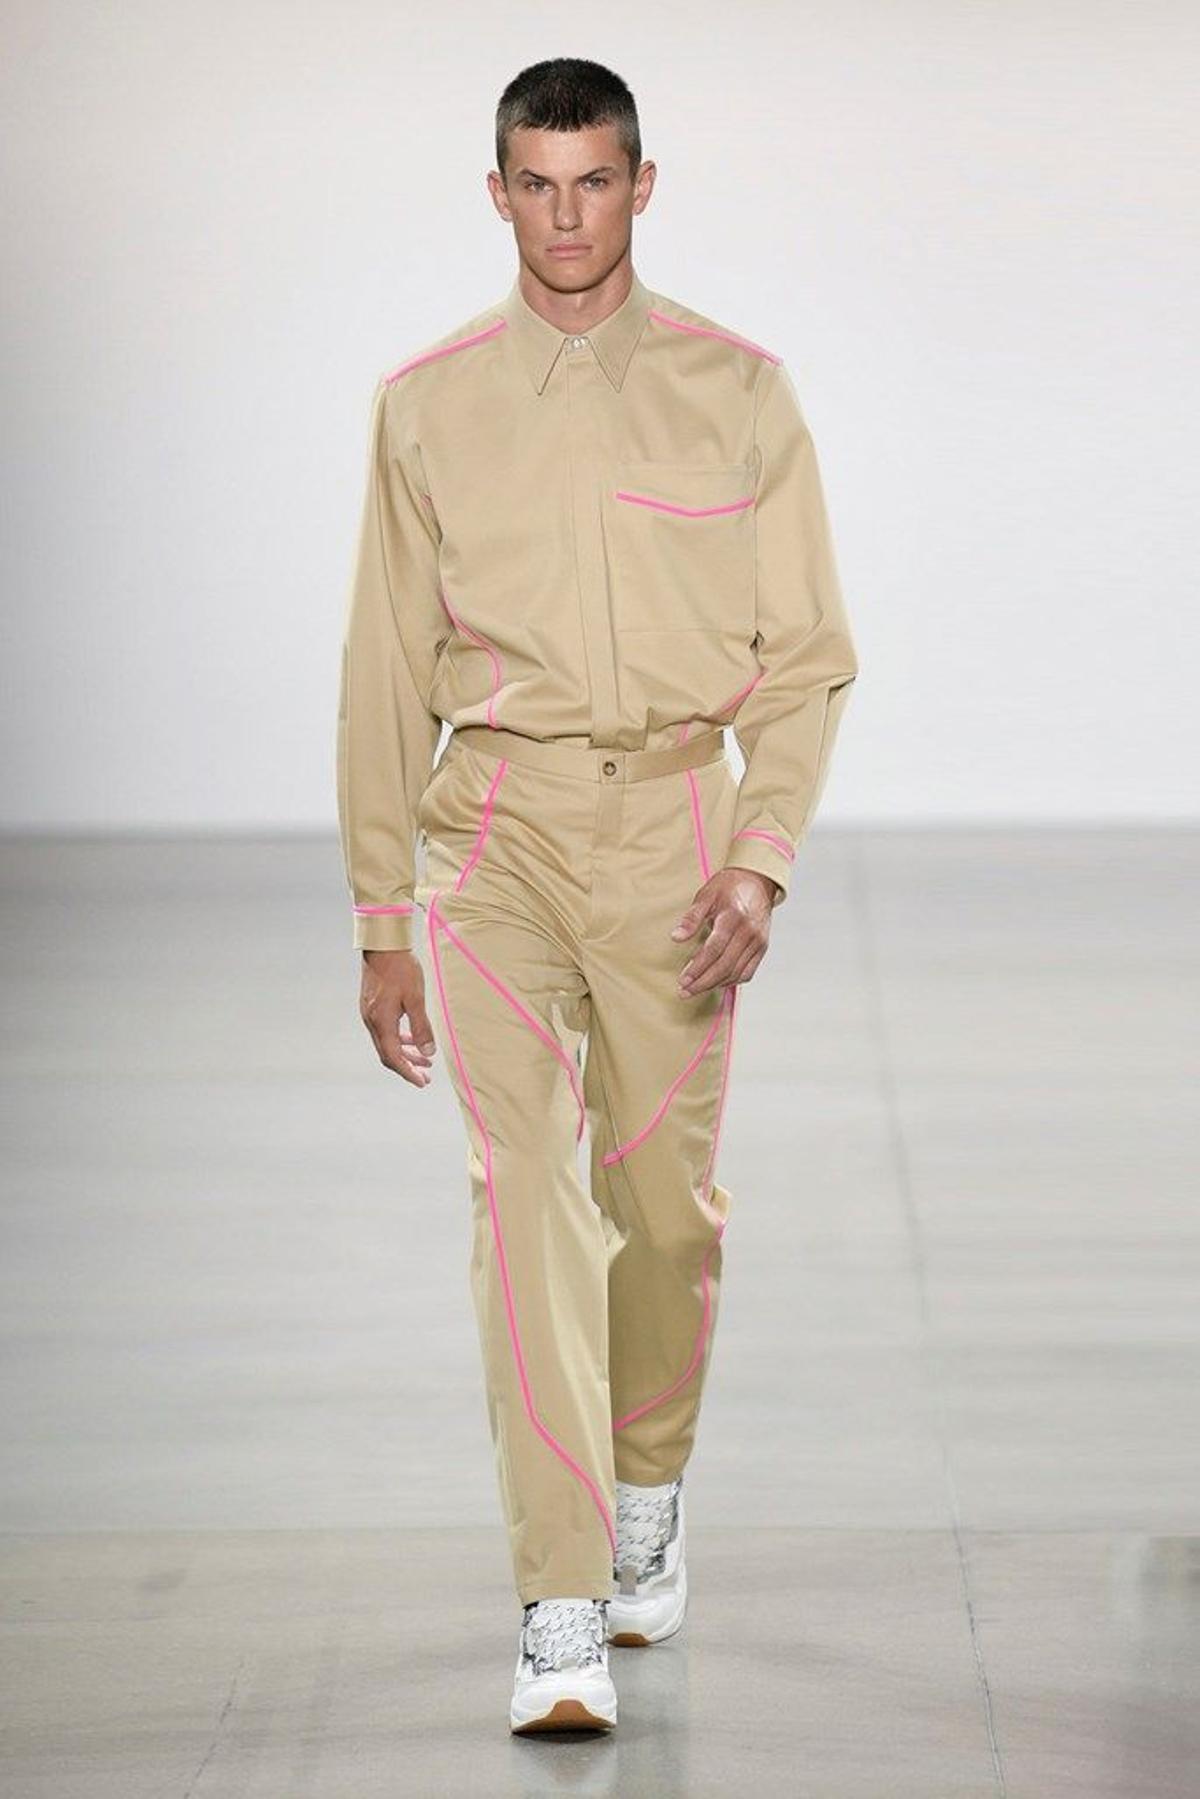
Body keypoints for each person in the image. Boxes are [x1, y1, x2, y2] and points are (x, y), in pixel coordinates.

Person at [335, 56, 858, 1736]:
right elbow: (380, 671)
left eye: (596, 181)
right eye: (537, 184)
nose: (567, 217)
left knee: (666, 1214)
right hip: (493, 834)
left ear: (644, 185)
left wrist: (762, 855)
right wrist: (382, 917)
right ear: (497, 194)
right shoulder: (424, 406)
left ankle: (648, 1485)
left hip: (679, 837)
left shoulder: (739, 392)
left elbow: (807, 660)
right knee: (525, 1205)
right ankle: (558, 1598)